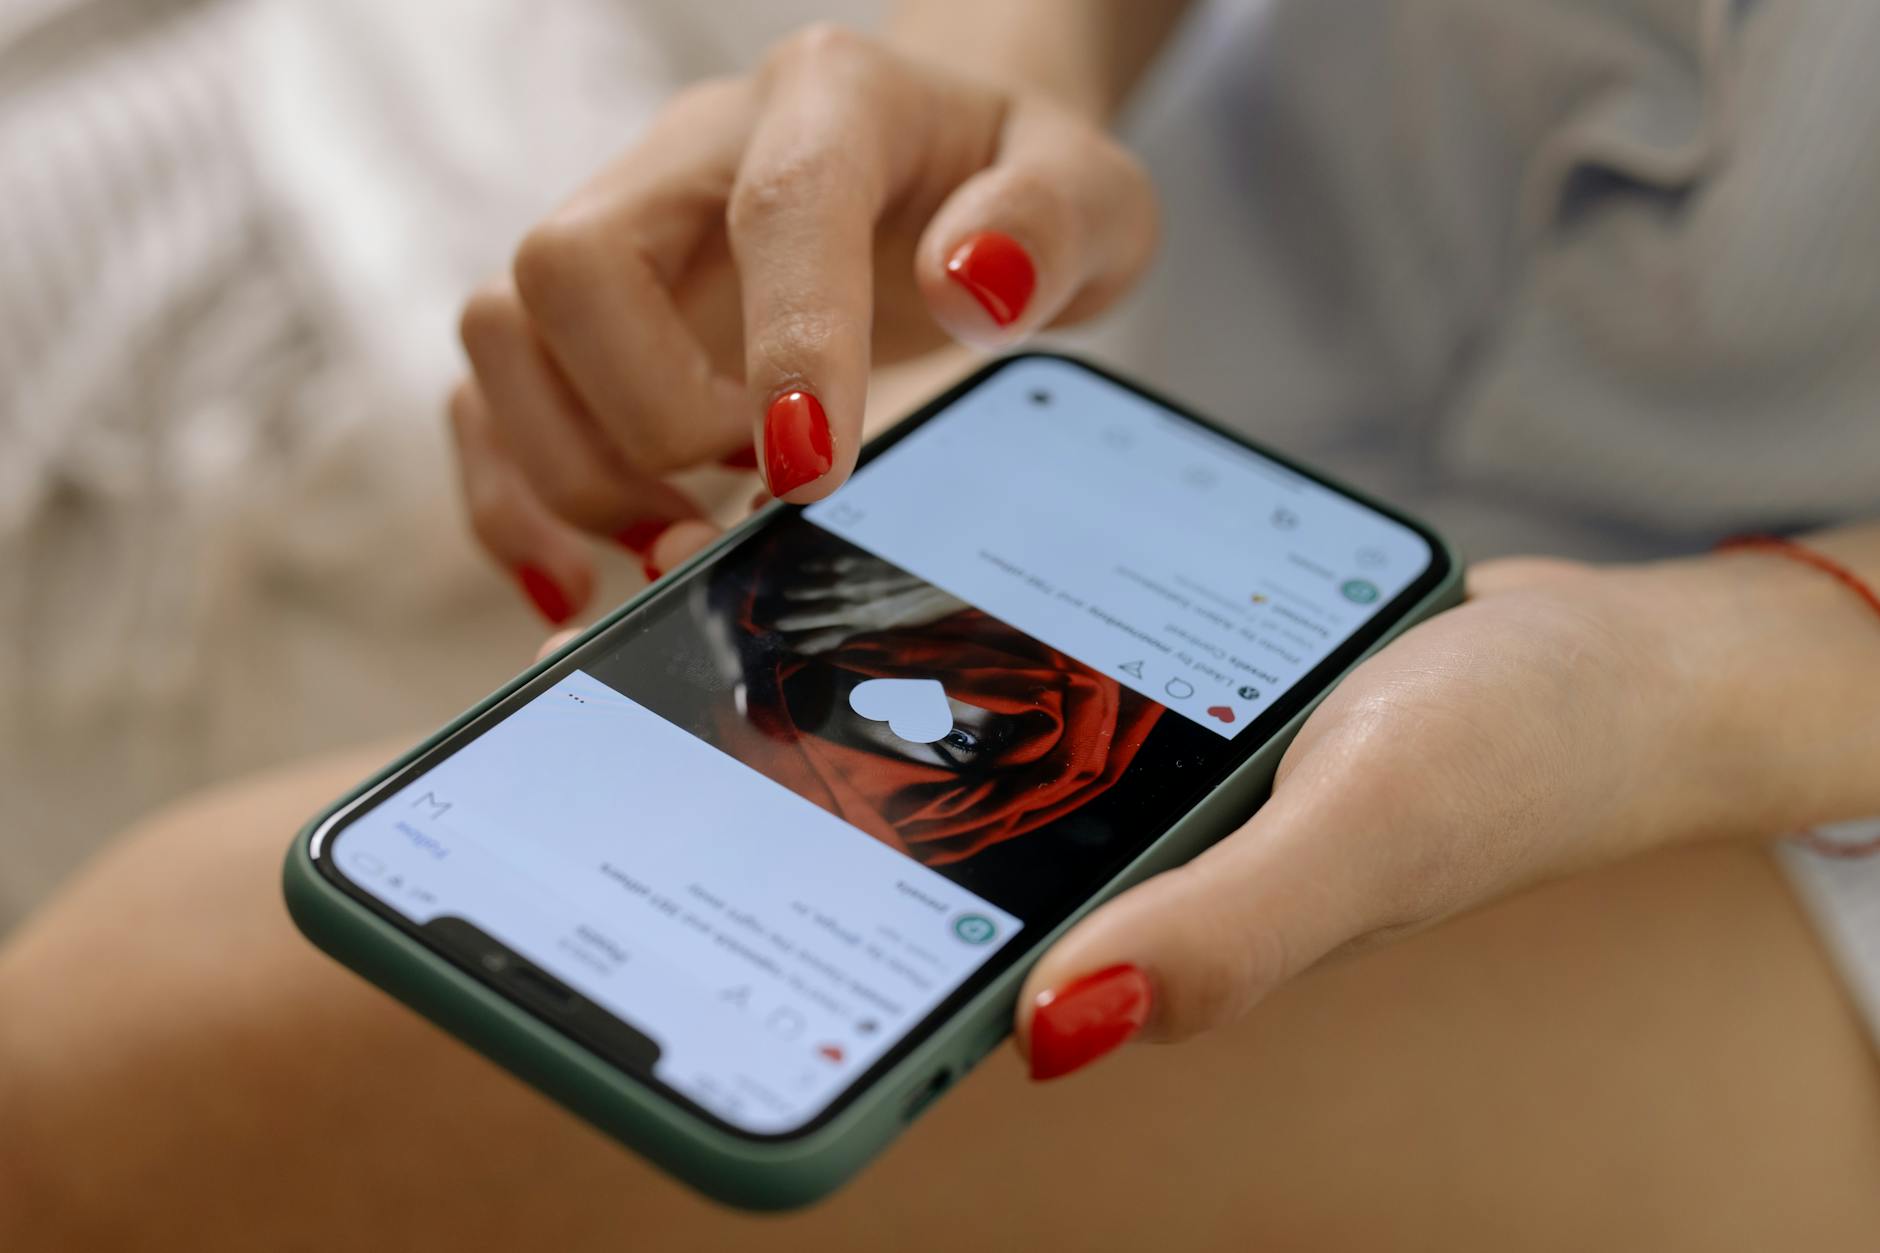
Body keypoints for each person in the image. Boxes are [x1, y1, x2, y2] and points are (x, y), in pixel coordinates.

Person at [6, 2, 1880, 1247]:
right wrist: (993, 92)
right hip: (1124, 357)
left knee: (141, 1061)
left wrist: (1728, 677)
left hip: (1803, 735)